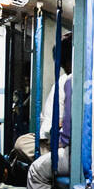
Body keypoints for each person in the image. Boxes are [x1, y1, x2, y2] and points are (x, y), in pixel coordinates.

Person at [13, 34, 73, 189]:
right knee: (23, 143)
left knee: (36, 170)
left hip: (62, 146)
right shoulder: (69, 81)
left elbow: (61, 130)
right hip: (52, 141)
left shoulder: (69, 81)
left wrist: (57, 134)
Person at [10, 35, 72, 163]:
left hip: (61, 142)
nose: (65, 69)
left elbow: (66, 124)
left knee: (22, 146)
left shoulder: (71, 82)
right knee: (22, 142)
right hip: (49, 137)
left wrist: (60, 126)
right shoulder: (64, 81)